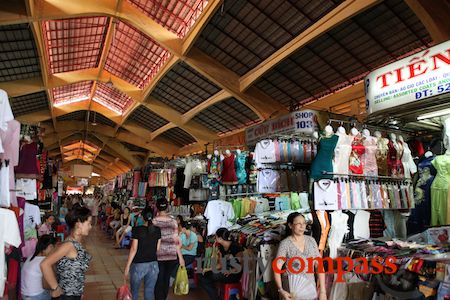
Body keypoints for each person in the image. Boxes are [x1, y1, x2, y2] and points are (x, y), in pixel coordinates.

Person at [40, 206, 93, 300]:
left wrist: (79, 291)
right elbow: (45, 264)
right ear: (79, 224)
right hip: (67, 296)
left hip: (75, 293)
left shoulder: (77, 242)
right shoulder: (69, 245)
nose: (90, 226)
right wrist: (55, 288)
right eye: (88, 223)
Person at [274, 212, 327, 300]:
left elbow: (319, 265)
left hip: (309, 289)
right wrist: (281, 290)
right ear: (290, 225)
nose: (302, 227)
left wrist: (322, 291)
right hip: (291, 292)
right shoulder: (285, 244)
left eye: (304, 223)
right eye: (298, 224)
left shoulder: (311, 241)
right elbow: (276, 267)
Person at [124, 207, 161, 300]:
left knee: (134, 292)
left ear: (142, 217)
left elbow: (133, 249)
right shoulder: (157, 230)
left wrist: (127, 266)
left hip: (138, 265)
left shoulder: (137, 229)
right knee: (149, 292)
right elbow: (158, 248)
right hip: (153, 264)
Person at [199, 228, 243, 300]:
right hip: (224, 271)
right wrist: (207, 269)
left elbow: (241, 265)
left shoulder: (235, 247)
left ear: (220, 238)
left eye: (216, 236)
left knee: (211, 275)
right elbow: (220, 265)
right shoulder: (221, 247)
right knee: (203, 275)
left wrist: (231, 271)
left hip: (234, 274)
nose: (215, 238)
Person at [153, 198, 185, 300]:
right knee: (166, 279)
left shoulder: (154, 221)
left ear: (157, 208)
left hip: (158, 255)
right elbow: (176, 241)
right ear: (167, 207)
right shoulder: (173, 222)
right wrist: (180, 257)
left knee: (159, 279)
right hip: (171, 255)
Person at [21, 235, 56, 300]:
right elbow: (46, 285)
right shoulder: (45, 261)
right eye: (55, 249)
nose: (55, 252)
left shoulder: (31, 256)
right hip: (36, 296)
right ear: (50, 246)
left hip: (24, 295)